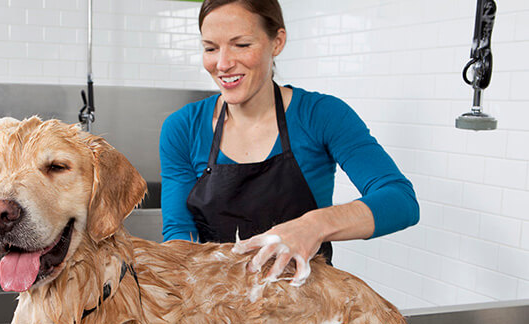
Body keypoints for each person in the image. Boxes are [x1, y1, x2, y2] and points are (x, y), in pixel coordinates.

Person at [159, 0, 419, 279]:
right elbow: (179, 234)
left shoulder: (321, 115)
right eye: (210, 48)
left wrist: (314, 225)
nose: (222, 63)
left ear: (277, 42)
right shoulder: (183, 127)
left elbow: (400, 200)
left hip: (304, 307)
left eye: (242, 45)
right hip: (215, 306)